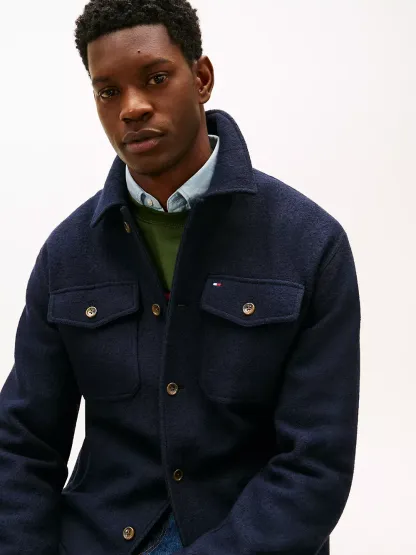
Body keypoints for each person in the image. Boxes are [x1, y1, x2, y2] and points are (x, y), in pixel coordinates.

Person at [0, 1, 360, 554]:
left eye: (155, 78)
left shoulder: (310, 245)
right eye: (108, 91)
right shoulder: (67, 255)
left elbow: (315, 464)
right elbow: (21, 445)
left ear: (202, 79)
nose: (132, 108)